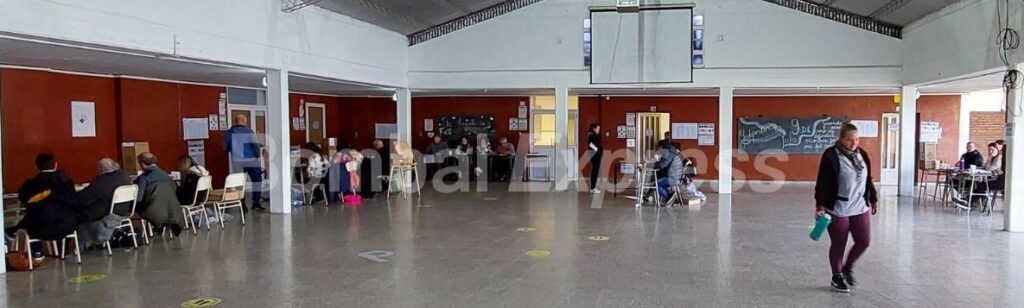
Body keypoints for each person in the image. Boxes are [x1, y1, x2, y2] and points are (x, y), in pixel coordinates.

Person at [814, 123, 878, 293]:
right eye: (849, 140)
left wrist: (873, 198)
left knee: (864, 241)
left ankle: (847, 268)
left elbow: (867, 180)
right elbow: (822, 183)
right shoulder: (830, 156)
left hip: (860, 205)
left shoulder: (861, 154)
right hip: (838, 207)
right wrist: (820, 205)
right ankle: (836, 276)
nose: (854, 143)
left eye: (856, 139)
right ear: (841, 139)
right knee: (839, 243)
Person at [5, 154, 79, 257]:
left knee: (33, 216)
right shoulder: (66, 182)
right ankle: (64, 250)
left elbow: (23, 199)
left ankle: (37, 252)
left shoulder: (30, 184)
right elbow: (74, 200)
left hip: (39, 229)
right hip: (67, 228)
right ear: (55, 165)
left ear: (36, 167)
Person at [73, 158, 131, 247]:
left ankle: (79, 245)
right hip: (122, 210)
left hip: (106, 212)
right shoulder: (124, 177)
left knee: (75, 213)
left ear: (101, 169)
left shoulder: (102, 180)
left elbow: (84, 198)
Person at [134, 153, 183, 236]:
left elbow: (139, 199)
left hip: (152, 210)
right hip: (170, 209)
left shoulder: (144, 178)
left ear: (142, 163)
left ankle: (155, 225)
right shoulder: (166, 175)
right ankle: (158, 224)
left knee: (138, 206)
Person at [225, 114, 264, 211]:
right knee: (256, 181)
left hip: (237, 160)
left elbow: (226, 147)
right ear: (243, 121)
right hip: (251, 160)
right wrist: (258, 156)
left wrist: (234, 151)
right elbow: (255, 145)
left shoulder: (229, 133)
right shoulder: (249, 131)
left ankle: (242, 204)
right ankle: (255, 203)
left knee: (239, 183)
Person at [587, 123, 603, 194]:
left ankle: (593, 187)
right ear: (594, 128)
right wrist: (596, 149)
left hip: (596, 155)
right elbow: (590, 144)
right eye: (598, 128)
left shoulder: (595, 135)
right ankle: (593, 188)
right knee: (595, 171)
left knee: (595, 171)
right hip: (594, 155)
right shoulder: (591, 135)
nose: (599, 130)